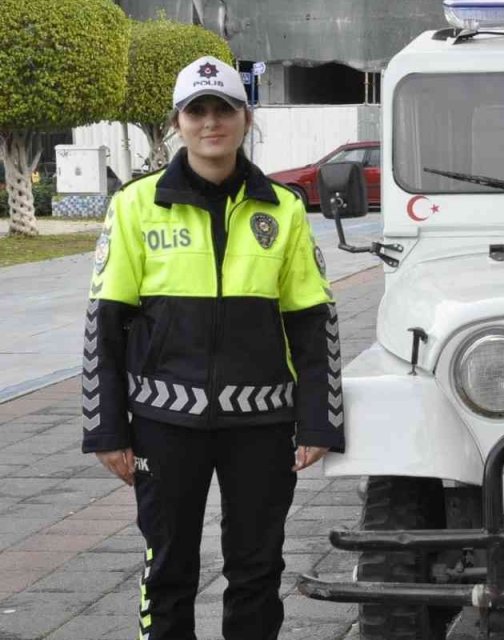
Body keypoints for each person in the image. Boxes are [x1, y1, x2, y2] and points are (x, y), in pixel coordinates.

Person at [79, 56, 346, 640]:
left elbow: (312, 322)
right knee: (168, 565)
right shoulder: (135, 205)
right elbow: (104, 323)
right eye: (196, 111)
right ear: (177, 121)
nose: (210, 123)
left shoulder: (285, 208)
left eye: (222, 109)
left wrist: (319, 421)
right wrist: (107, 431)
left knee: (257, 568)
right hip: (162, 424)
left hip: (263, 425)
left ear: (245, 119)